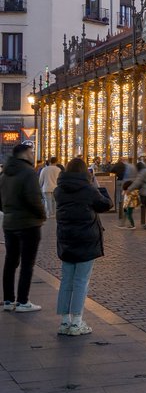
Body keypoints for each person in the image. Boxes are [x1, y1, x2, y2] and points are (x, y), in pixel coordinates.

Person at [53, 157, 112, 335]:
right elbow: (106, 205)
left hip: (66, 238)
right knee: (81, 281)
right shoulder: (88, 189)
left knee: (66, 280)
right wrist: (98, 186)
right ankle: (77, 322)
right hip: (86, 239)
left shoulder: (59, 190)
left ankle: (64, 322)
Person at [0, 141, 47, 312]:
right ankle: (22, 301)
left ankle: (8, 300)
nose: (33, 154)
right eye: (31, 151)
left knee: (10, 261)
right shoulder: (28, 172)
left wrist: (9, 210)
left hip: (9, 223)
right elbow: (34, 198)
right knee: (27, 263)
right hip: (28, 223)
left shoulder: (5, 174)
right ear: (25, 154)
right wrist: (42, 215)